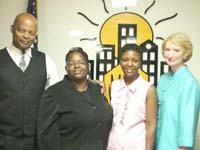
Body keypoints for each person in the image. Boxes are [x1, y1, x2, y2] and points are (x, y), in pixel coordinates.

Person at [0, 13, 58, 150]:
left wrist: (88, 84)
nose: (26, 36)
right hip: (4, 140)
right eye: (21, 30)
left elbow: (58, 94)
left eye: (31, 33)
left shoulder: (46, 60)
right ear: (12, 29)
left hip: (36, 141)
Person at [37, 47, 113, 150]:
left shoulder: (98, 89)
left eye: (81, 62)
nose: (76, 66)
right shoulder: (53, 94)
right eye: (71, 63)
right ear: (66, 68)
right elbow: (45, 135)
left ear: (88, 66)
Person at [107, 44, 158, 150]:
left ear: (140, 63)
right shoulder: (114, 85)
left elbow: (151, 125)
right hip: (112, 145)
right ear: (120, 61)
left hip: (136, 146)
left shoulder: (148, 89)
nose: (129, 64)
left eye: (135, 60)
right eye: (125, 60)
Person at [155, 32, 200, 150]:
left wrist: (183, 147)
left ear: (185, 53)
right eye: (167, 49)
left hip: (175, 146)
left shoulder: (189, 83)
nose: (170, 54)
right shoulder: (163, 79)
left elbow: (188, 120)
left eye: (176, 50)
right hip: (158, 141)